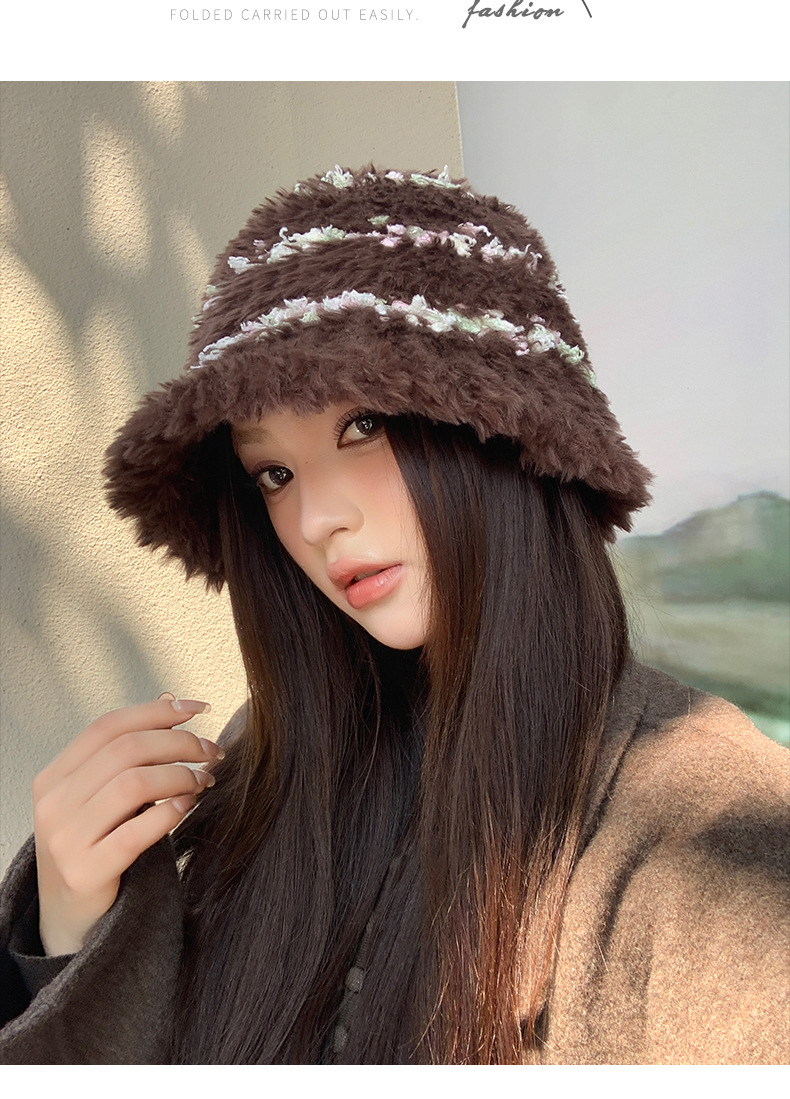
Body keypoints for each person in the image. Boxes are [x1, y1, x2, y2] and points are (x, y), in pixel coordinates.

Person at [1, 166, 788, 1065]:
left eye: (363, 426)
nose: (314, 519)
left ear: (509, 431)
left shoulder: (720, 830)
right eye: (274, 474)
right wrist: (72, 932)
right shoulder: (266, 765)